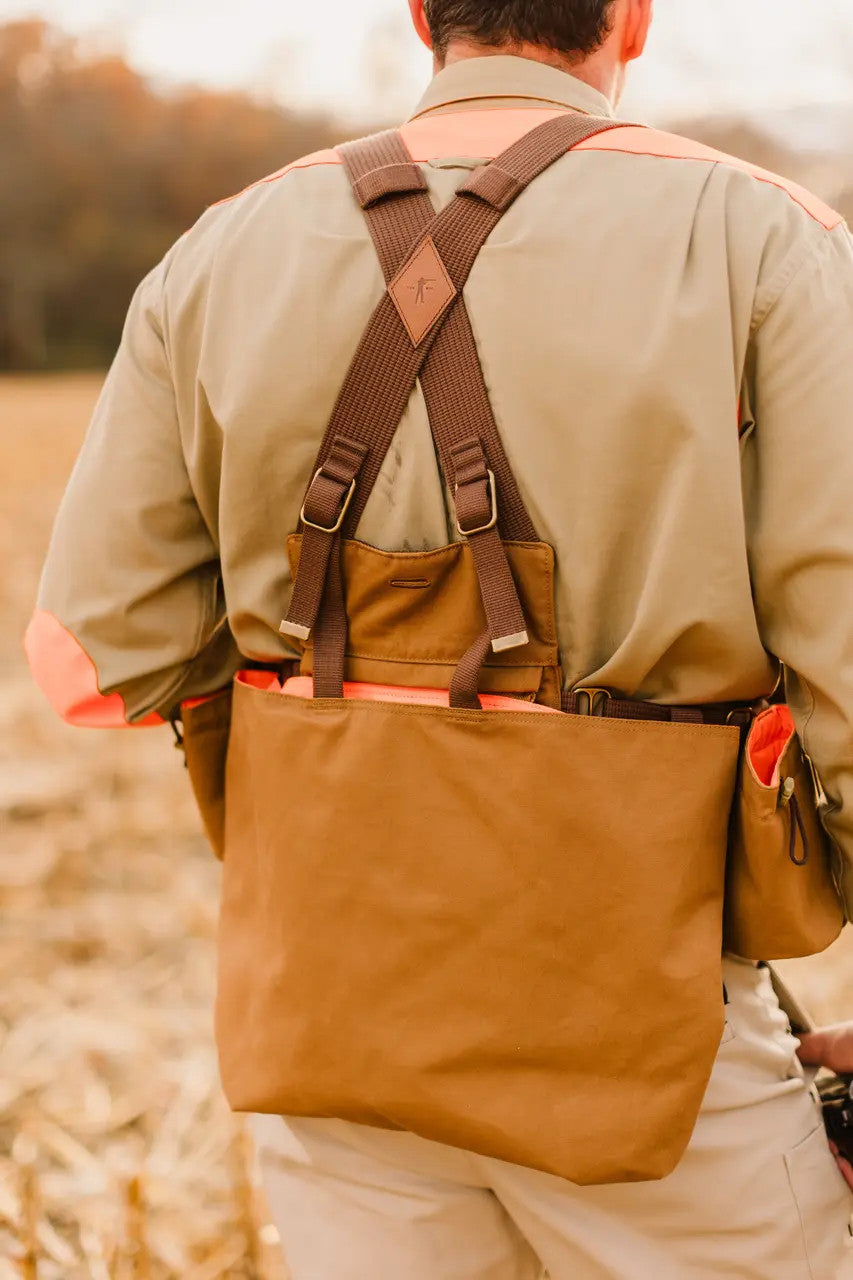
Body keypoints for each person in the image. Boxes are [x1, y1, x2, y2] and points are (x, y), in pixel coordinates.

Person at [25, 0, 853, 1275]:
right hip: (661, 1059)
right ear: (632, 18)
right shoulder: (761, 237)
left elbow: (97, 649)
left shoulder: (218, 248)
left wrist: (343, 722)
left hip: (332, 1034)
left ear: (423, 14)